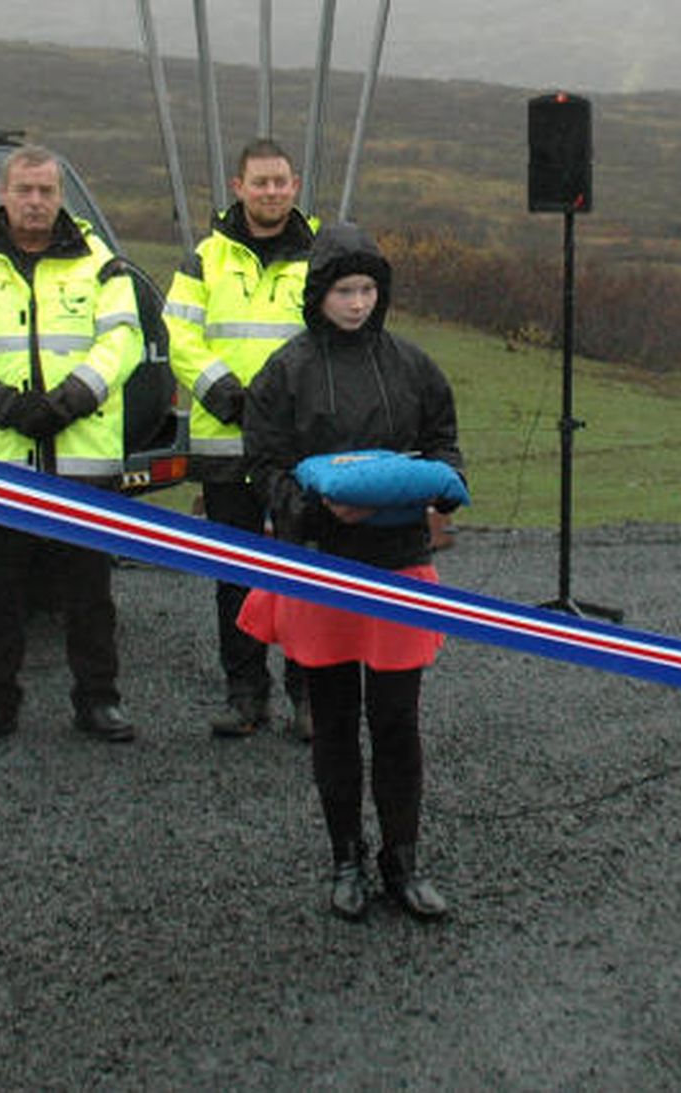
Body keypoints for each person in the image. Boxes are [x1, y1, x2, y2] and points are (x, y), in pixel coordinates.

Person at [239, 222, 464, 922]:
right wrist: (318, 508)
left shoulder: (414, 365)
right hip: (320, 566)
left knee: (397, 721)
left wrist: (424, 491)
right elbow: (264, 464)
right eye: (344, 290)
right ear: (319, 294)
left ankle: (404, 860)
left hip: (398, 567)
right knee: (334, 721)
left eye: (368, 289)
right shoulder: (287, 370)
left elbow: (446, 447)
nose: (358, 302)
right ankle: (346, 859)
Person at [0, 145, 142, 747]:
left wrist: (69, 400)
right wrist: (1, 404)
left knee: (90, 594)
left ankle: (99, 700)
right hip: (0, 457)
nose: (37, 201)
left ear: (60, 196)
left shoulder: (100, 260)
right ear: (3, 192)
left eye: (47, 191)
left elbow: (122, 339)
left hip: (83, 454)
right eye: (26, 189)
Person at [164, 138, 316, 740]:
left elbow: (334, 336)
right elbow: (181, 335)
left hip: (301, 449)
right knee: (236, 581)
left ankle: (309, 698)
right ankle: (245, 695)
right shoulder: (204, 258)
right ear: (238, 187)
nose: (271, 192)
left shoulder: (321, 254)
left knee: (305, 577)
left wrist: (283, 408)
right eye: (260, 182)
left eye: (280, 182)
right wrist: (229, 397)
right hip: (226, 448)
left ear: (296, 186)